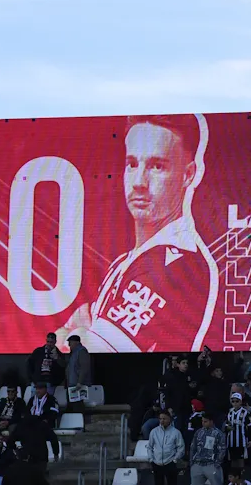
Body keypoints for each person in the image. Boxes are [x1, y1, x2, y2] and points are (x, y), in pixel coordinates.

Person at [56, 114, 219, 353]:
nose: (139, 182)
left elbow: (93, 352)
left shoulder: (177, 263)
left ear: (188, 174)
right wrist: (77, 333)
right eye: (132, 164)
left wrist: (77, 334)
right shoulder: (127, 261)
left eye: (157, 166)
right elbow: (73, 333)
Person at [148, 410, 184, 485]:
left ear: (169, 419)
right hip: (156, 463)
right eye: (160, 419)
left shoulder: (176, 432)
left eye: (164, 419)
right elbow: (149, 447)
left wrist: (175, 459)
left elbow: (181, 447)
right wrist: (151, 459)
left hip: (170, 463)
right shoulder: (154, 432)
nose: (162, 421)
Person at [189, 412, 226, 485]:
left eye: (205, 421)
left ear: (211, 421)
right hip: (197, 464)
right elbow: (193, 447)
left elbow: (222, 449)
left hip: (211, 464)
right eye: (202, 421)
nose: (203, 423)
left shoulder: (218, 433)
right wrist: (192, 462)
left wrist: (217, 463)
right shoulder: (198, 432)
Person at [65, 335, 91, 413]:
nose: (69, 345)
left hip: (77, 385)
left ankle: (79, 422)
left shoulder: (81, 351)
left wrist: (80, 382)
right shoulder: (73, 353)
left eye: (70, 343)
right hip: (72, 385)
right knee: (72, 405)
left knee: (78, 406)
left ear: (77, 342)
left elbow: (84, 367)